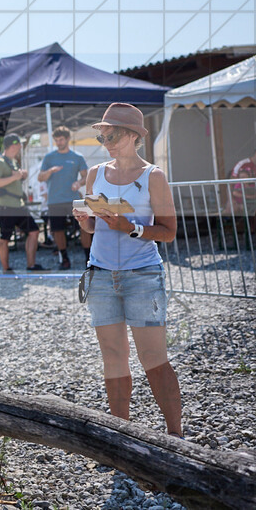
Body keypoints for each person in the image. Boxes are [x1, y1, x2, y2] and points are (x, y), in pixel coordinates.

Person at [73, 103, 182, 439]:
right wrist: (85, 222)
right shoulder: (95, 173)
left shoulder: (154, 176)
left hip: (142, 275)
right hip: (101, 274)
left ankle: (177, 437)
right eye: (102, 133)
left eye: (113, 133)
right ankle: (121, 435)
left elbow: (168, 232)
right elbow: (89, 236)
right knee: (114, 358)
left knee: (154, 358)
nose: (106, 139)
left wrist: (130, 227)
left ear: (134, 136)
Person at [0, 135, 45, 273]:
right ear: (13, 145)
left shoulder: (11, 161)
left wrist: (21, 175)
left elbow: (13, 179)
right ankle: (6, 268)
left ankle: (31, 265)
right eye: (19, 144)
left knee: (34, 231)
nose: (21, 147)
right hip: (6, 205)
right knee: (5, 237)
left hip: (18, 205)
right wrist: (16, 176)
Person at [39, 126, 91, 269]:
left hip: (74, 199)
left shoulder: (77, 157)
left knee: (84, 226)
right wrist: (50, 171)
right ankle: (64, 258)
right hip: (55, 200)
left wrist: (79, 182)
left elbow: (86, 177)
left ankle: (89, 259)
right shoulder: (49, 158)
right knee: (57, 230)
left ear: (68, 139)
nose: (59, 142)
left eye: (61, 139)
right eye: (56, 140)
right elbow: (40, 177)